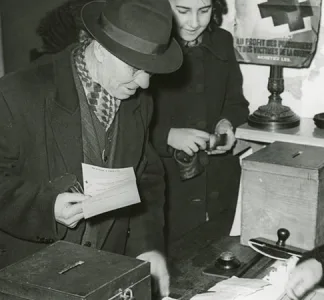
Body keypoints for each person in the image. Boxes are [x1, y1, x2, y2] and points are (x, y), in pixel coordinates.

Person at [0, 0, 183, 297]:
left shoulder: (137, 101)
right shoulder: (17, 94)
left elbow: (145, 178)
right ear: (99, 49)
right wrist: (45, 208)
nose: (146, 83)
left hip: (105, 275)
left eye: (151, 71)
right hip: (30, 280)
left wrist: (146, 248)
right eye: (136, 68)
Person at [150, 0, 249, 242]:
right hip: (165, 181)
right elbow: (125, 120)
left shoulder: (222, 41)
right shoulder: (147, 43)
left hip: (218, 180)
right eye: (183, 11)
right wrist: (168, 136)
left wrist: (226, 123)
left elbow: (236, 103)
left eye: (204, 11)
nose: (195, 23)